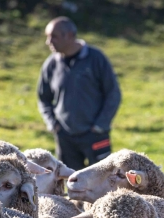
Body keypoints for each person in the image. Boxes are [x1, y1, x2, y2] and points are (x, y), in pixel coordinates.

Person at [37, 17, 122, 170]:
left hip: (96, 135)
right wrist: (53, 124)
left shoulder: (96, 59)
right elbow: (44, 99)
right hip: (65, 137)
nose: (48, 42)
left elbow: (113, 94)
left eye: (53, 36)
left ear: (69, 35)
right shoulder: (50, 64)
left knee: (104, 181)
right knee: (71, 184)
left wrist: (100, 125)